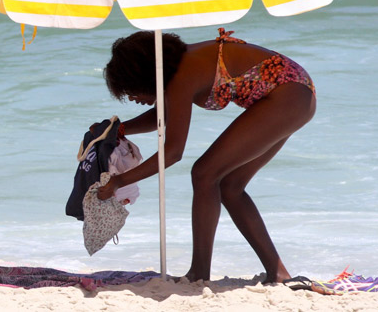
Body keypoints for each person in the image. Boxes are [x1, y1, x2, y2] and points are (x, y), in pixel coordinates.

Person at [97, 28, 316, 283]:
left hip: (288, 95)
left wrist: (119, 182)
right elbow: (164, 115)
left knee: (204, 173)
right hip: (296, 93)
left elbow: (173, 152)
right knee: (230, 186)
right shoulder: (181, 70)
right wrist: (118, 130)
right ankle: (277, 273)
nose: (132, 98)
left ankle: (199, 272)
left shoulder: (182, 75)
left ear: (143, 75)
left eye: (131, 91)